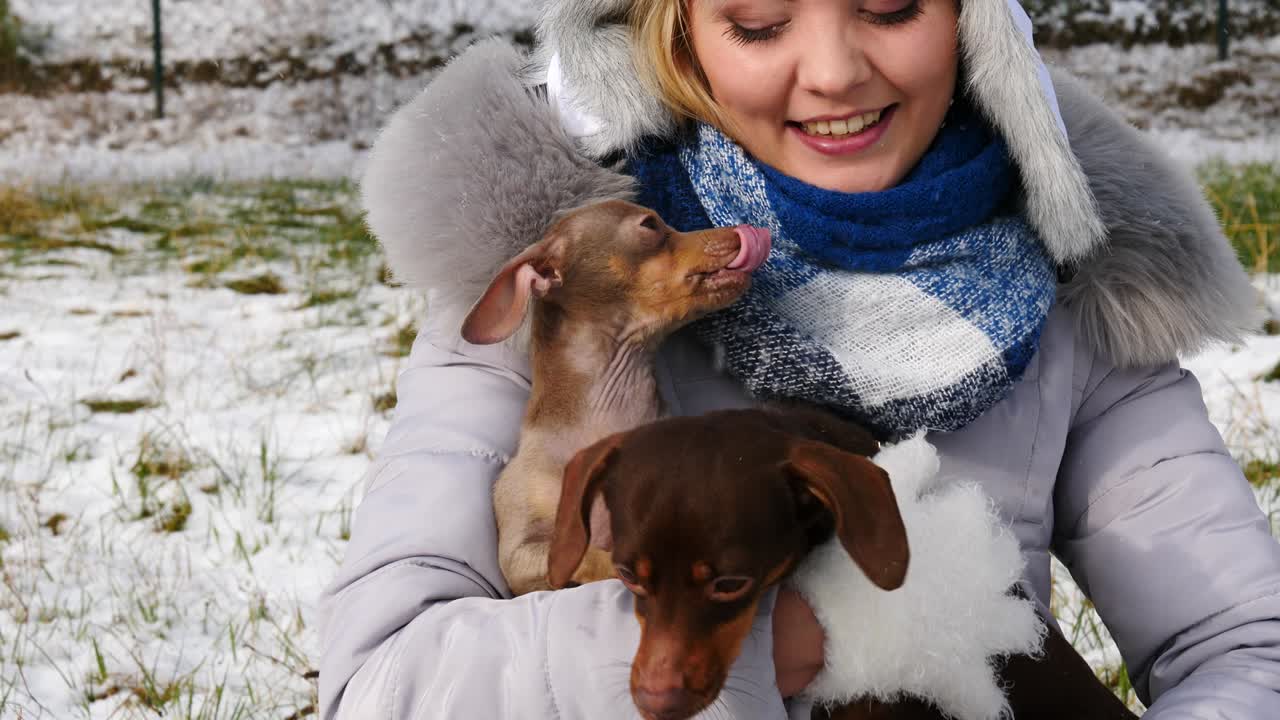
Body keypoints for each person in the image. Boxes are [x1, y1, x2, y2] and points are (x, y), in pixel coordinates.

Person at [319, 0, 1280, 717]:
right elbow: (379, 684)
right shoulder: (568, 291)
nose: (833, 72)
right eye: (761, 21)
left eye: (893, 7)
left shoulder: (1075, 286)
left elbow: (1246, 651)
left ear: (973, 19)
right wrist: (781, 646)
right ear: (677, 32)